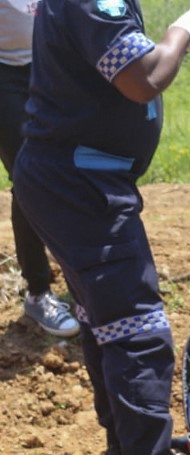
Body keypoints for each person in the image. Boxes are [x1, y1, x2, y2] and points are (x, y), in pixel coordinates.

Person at [13, 1, 190, 455]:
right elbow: (142, 80)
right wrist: (184, 30)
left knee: (103, 318)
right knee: (138, 331)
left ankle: (130, 443)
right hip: (81, 184)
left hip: (73, 176)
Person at [0, 0, 79, 338]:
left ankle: (84, 281)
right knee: (30, 177)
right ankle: (38, 292)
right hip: (5, 76)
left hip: (49, 66)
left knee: (71, 169)